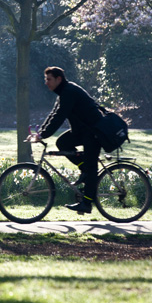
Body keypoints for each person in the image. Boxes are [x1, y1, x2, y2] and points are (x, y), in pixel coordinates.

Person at [28, 66, 103, 214]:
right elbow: (53, 114)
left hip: (93, 131)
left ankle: (86, 203)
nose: (46, 82)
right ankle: (84, 169)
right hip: (82, 130)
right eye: (45, 79)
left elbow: (60, 116)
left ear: (58, 79)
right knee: (62, 143)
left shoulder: (69, 92)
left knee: (91, 167)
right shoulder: (63, 92)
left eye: (49, 79)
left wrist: (42, 136)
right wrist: (40, 132)